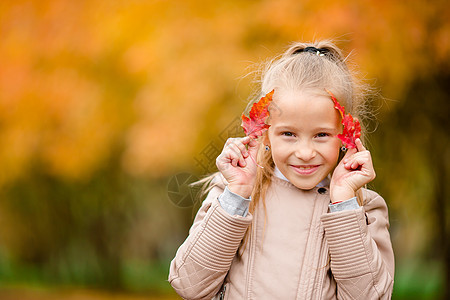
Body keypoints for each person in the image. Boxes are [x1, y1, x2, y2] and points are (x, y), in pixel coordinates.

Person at [168, 40, 394, 299]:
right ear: (264, 133)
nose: (305, 152)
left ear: (346, 136)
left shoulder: (362, 209)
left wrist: (343, 203)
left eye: (321, 134)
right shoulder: (233, 195)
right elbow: (189, 285)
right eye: (288, 133)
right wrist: (237, 193)